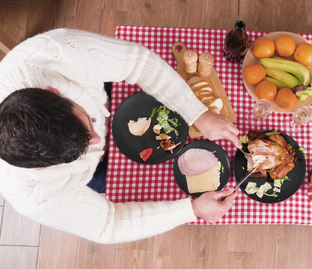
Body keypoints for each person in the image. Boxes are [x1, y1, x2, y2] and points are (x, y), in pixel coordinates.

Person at [0, 28, 241, 244]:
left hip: (97, 91)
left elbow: (139, 62)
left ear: (54, 93)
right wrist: (193, 209)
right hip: (90, 172)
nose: (98, 141)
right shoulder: (35, 197)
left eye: (87, 127)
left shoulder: (57, 52)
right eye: (81, 149)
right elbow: (108, 225)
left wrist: (197, 114)